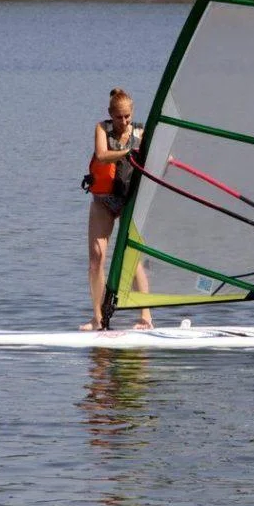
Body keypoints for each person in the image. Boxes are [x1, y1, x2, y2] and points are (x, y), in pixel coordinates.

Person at [83, 88, 153, 331]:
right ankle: (97, 318)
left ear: (132, 114)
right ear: (110, 114)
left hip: (129, 202)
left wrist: (162, 158)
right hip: (103, 201)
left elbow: (161, 154)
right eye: (118, 117)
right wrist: (129, 152)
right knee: (96, 258)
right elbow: (102, 156)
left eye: (127, 117)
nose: (123, 122)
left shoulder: (141, 132)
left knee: (131, 259)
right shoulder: (102, 129)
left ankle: (145, 317)